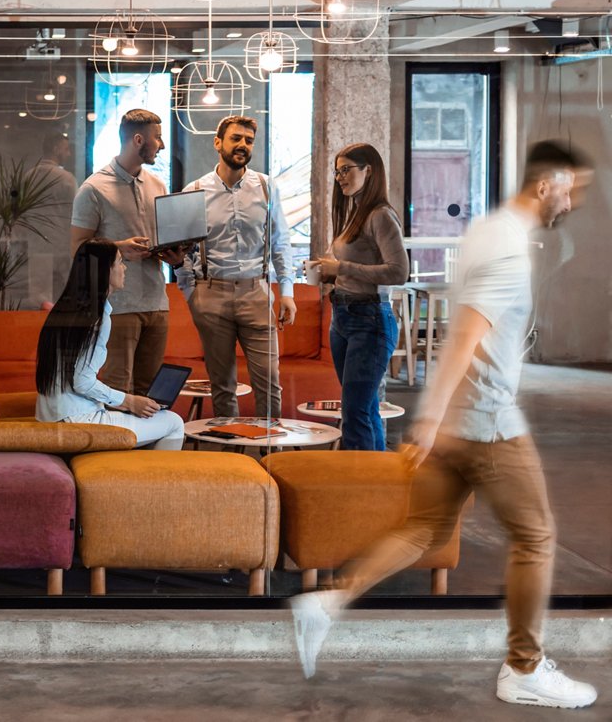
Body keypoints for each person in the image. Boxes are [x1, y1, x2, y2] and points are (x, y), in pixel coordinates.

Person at [290, 140, 597, 710]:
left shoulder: (488, 229)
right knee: (536, 538)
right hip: (486, 421)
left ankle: (326, 603)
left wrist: (437, 419)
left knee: (423, 530)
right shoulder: (507, 248)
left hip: (459, 419)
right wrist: (430, 417)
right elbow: (463, 337)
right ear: (544, 185)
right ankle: (524, 668)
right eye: (570, 188)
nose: (573, 200)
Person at [176, 115, 296, 420]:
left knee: (269, 382)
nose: (243, 145)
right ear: (218, 143)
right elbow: (182, 250)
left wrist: (287, 292)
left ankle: (269, 456)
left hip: (256, 291)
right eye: (236, 138)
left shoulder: (267, 187)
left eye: (249, 140)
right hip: (211, 294)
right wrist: (191, 292)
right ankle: (228, 458)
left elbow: (280, 241)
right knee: (222, 386)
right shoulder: (195, 189)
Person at [71, 109, 187, 395]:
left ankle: (147, 442)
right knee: (115, 389)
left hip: (157, 303)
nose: (162, 145)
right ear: (138, 140)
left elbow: (162, 237)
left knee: (151, 393)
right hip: (118, 306)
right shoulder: (93, 188)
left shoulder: (158, 185)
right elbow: (76, 249)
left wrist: (175, 256)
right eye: (157, 138)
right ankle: (116, 442)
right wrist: (119, 248)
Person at [36, 238, 185, 449]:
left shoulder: (67, 308)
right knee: (174, 422)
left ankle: (131, 474)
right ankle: (156, 480)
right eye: (120, 262)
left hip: (54, 417)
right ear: (106, 270)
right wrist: (129, 401)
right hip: (78, 422)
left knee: (153, 421)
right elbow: (82, 381)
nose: (124, 268)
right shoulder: (97, 317)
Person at [308, 143, 409, 451]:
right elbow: (360, 266)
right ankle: (377, 481)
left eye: (346, 170)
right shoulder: (355, 212)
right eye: (337, 171)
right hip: (343, 316)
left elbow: (398, 272)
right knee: (362, 409)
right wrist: (332, 273)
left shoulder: (380, 215)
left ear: (369, 170)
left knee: (355, 412)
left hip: (370, 320)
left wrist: (342, 267)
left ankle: (360, 488)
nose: (339, 177)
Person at [26, 133, 79, 306]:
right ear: (56, 149)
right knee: (65, 294)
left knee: (39, 297)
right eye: (66, 149)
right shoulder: (67, 180)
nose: (69, 154)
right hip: (61, 243)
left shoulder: (27, 177)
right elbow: (76, 214)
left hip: (35, 244)